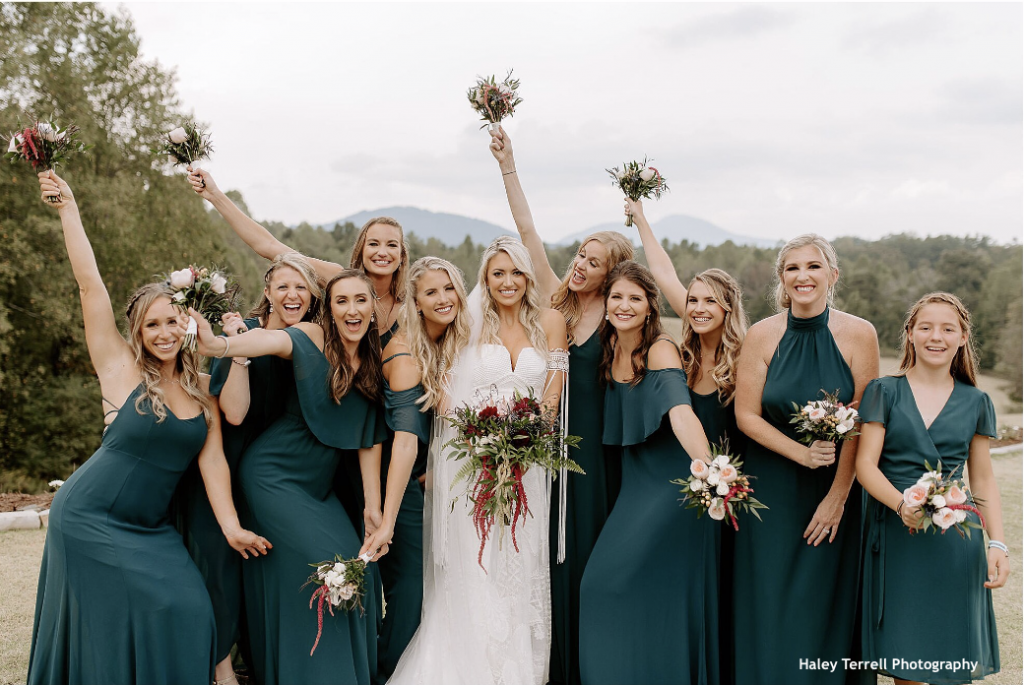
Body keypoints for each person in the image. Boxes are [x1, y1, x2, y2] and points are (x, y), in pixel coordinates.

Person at [27, 171, 268, 685]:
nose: (163, 333)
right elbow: (90, 286)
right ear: (137, 330)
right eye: (152, 324)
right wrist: (69, 208)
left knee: (190, 610)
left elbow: (213, 462)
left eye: (172, 322)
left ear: (188, 325)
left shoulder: (203, 389)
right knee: (119, 626)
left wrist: (231, 528)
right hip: (88, 516)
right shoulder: (119, 368)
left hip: (149, 528)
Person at [193, 269, 389, 685]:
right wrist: (219, 345)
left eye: (360, 300)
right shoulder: (311, 336)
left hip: (319, 487)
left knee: (358, 567)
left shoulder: (375, 360)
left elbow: (369, 440)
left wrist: (373, 508)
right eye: (340, 301)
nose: (351, 310)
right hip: (273, 476)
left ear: (373, 307)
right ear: (329, 310)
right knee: (325, 570)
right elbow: (268, 341)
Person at [489, 127, 635, 685]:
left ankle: (588, 666)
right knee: (539, 556)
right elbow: (527, 230)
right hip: (540, 447)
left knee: (585, 556)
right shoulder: (555, 300)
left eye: (593, 262)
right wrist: (508, 165)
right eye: (580, 254)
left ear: (611, 273)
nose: (580, 265)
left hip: (592, 451)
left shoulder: (618, 317)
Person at [389, 237, 568, 684]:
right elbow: (445, 392)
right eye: (498, 273)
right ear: (485, 279)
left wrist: (527, 443)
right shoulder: (467, 323)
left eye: (516, 272)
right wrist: (483, 441)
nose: (508, 282)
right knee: (479, 561)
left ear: (527, 277)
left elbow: (553, 390)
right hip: (476, 462)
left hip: (529, 462)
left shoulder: (550, 322)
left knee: (521, 559)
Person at [733, 234, 879, 684]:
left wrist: (838, 497)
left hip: (833, 492)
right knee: (771, 602)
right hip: (772, 492)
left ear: (832, 275)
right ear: (782, 278)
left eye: (813, 266)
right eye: (792, 268)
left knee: (822, 605)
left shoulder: (860, 334)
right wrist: (802, 453)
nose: (803, 276)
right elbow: (745, 415)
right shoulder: (761, 335)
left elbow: (862, 419)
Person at [174, 252, 322, 679]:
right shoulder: (242, 334)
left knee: (255, 570)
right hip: (226, 461)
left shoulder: (309, 341)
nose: (292, 294)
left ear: (312, 295)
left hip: (273, 474)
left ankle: (257, 662)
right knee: (218, 566)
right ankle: (221, 672)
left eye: (301, 287)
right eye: (283, 286)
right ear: (268, 292)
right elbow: (234, 414)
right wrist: (238, 352)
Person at [856, 292, 1009, 685]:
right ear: (910, 333)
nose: (935, 336)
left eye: (947, 329)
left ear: (963, 337)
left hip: (955, 541)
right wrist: (900, 504)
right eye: (925, 327)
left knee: (949, 656)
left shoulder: (977, 401)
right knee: (906, 659)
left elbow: (983, 478)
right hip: (897, 536)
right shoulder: (883, 391)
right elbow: (865, 466)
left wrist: (997, 543)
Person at [626, 198, 748, 684]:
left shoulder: (746, 356)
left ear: (728, 308)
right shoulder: (683, 354)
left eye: (709, 302)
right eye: (692, 300)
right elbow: (662, 272)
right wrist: (640, 218)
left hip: (725, 490)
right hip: (680, 483)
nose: (697, 308)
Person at [578, 260, 717, 684]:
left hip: (673, 487)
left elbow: (681, 413)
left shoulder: (659, 349)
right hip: (636, 486)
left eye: (634, 298)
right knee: (610, 589)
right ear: (605, 302)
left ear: (650, 307)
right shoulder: (610, 346)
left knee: (606, 584)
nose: (624, 305)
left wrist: (713, 474)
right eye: (616, 296)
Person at [373, 256, 472, 682]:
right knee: (411, 581)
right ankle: (388, 673)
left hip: (422, 475)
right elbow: (406, 440)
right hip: (390, 475)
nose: (443, 298)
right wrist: (387, 520)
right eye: (431, 292)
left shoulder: (451, 342)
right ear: (414, 303)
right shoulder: (406, 354)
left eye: (449, 289)